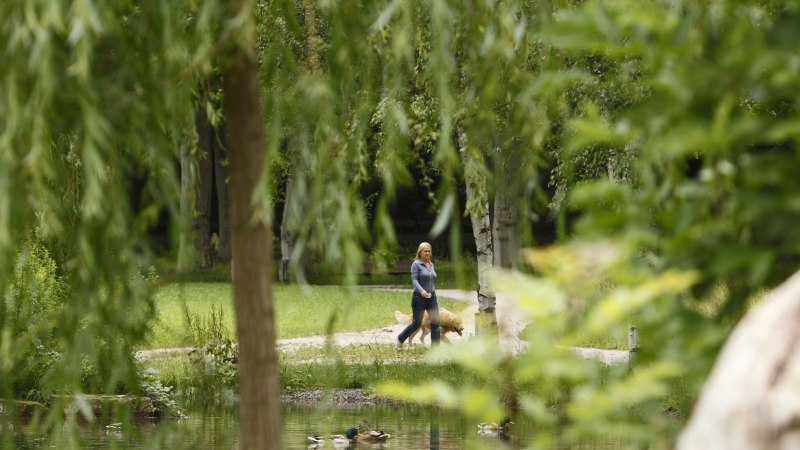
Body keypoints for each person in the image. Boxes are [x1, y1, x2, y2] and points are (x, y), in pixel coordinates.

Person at [397, 242, 440, 349]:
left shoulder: (431, 265)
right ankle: (400, 338)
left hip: (432, 298)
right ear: (420, 252)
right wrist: (422, 291)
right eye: (425, 251)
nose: (428, 253)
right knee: (417, 323)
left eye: (429, 251)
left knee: (435, 322)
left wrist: (431, 291)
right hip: (419, 298)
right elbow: (414, 280)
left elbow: (431, 279)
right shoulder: (416, 264)